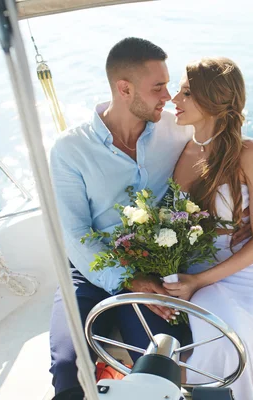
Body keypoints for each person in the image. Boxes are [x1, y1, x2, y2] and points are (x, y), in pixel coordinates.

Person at [48, 37, 197, 400]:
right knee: (68, 370)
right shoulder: (70, 150)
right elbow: (74, 233)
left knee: (164, 361)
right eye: (158, 87)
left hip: (152, 265)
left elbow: (219, 139)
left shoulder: (176, 130)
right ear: (124, 88)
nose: (168, 97)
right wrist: (128, 280)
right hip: (88, 269)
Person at [165, 57, 253, 400]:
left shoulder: (251, 154)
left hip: (250, 274)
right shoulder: (180, 152)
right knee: (218, 335)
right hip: (195, 274)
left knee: (224, 334)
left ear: (212, 100)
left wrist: (198, 282)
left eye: (186, 93)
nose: (175, 100)